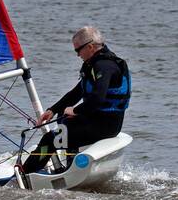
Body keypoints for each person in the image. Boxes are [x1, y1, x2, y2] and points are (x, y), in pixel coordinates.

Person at [20, 26, 131, 175]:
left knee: (49, 139)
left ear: (90, 47)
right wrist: (52, 110)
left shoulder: (104, 66)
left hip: (105, 126)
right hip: (98, 121)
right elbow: (77, 92)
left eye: (78, 50)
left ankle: (25, 175)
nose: (78, 55)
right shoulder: (95, 64)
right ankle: (70, 169)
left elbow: (97, 100)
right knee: (64, 120)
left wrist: (75, 110)